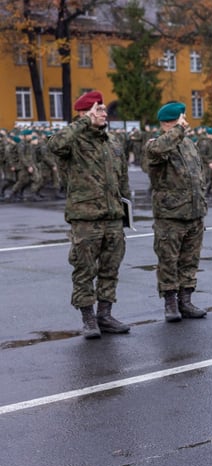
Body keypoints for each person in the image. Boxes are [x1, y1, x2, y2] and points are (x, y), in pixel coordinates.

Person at [47, 90, 132, 339]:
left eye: (104, 109)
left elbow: (122, 179)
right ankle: (88, 318)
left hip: (113, 217)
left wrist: (125, 211)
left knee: (110, 269)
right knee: (84, 270)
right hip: (86, 218)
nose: (104, 113)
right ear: (84, 113)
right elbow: (54, 144)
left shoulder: (112, 142)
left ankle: (104, 315)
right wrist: (84, 121)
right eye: (99, 109)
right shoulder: (74, 141)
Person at [144, 102, 208, 322]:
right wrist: (178, 131)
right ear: (169, 122)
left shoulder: (189, 144)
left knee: (190, 260)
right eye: (182, 118)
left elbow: (198, 173)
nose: (186, 122)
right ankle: (171, 303)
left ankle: (186, 300)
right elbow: (158, 150)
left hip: (194, 212)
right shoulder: (155, 145)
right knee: (168, 261)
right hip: (170, 215)